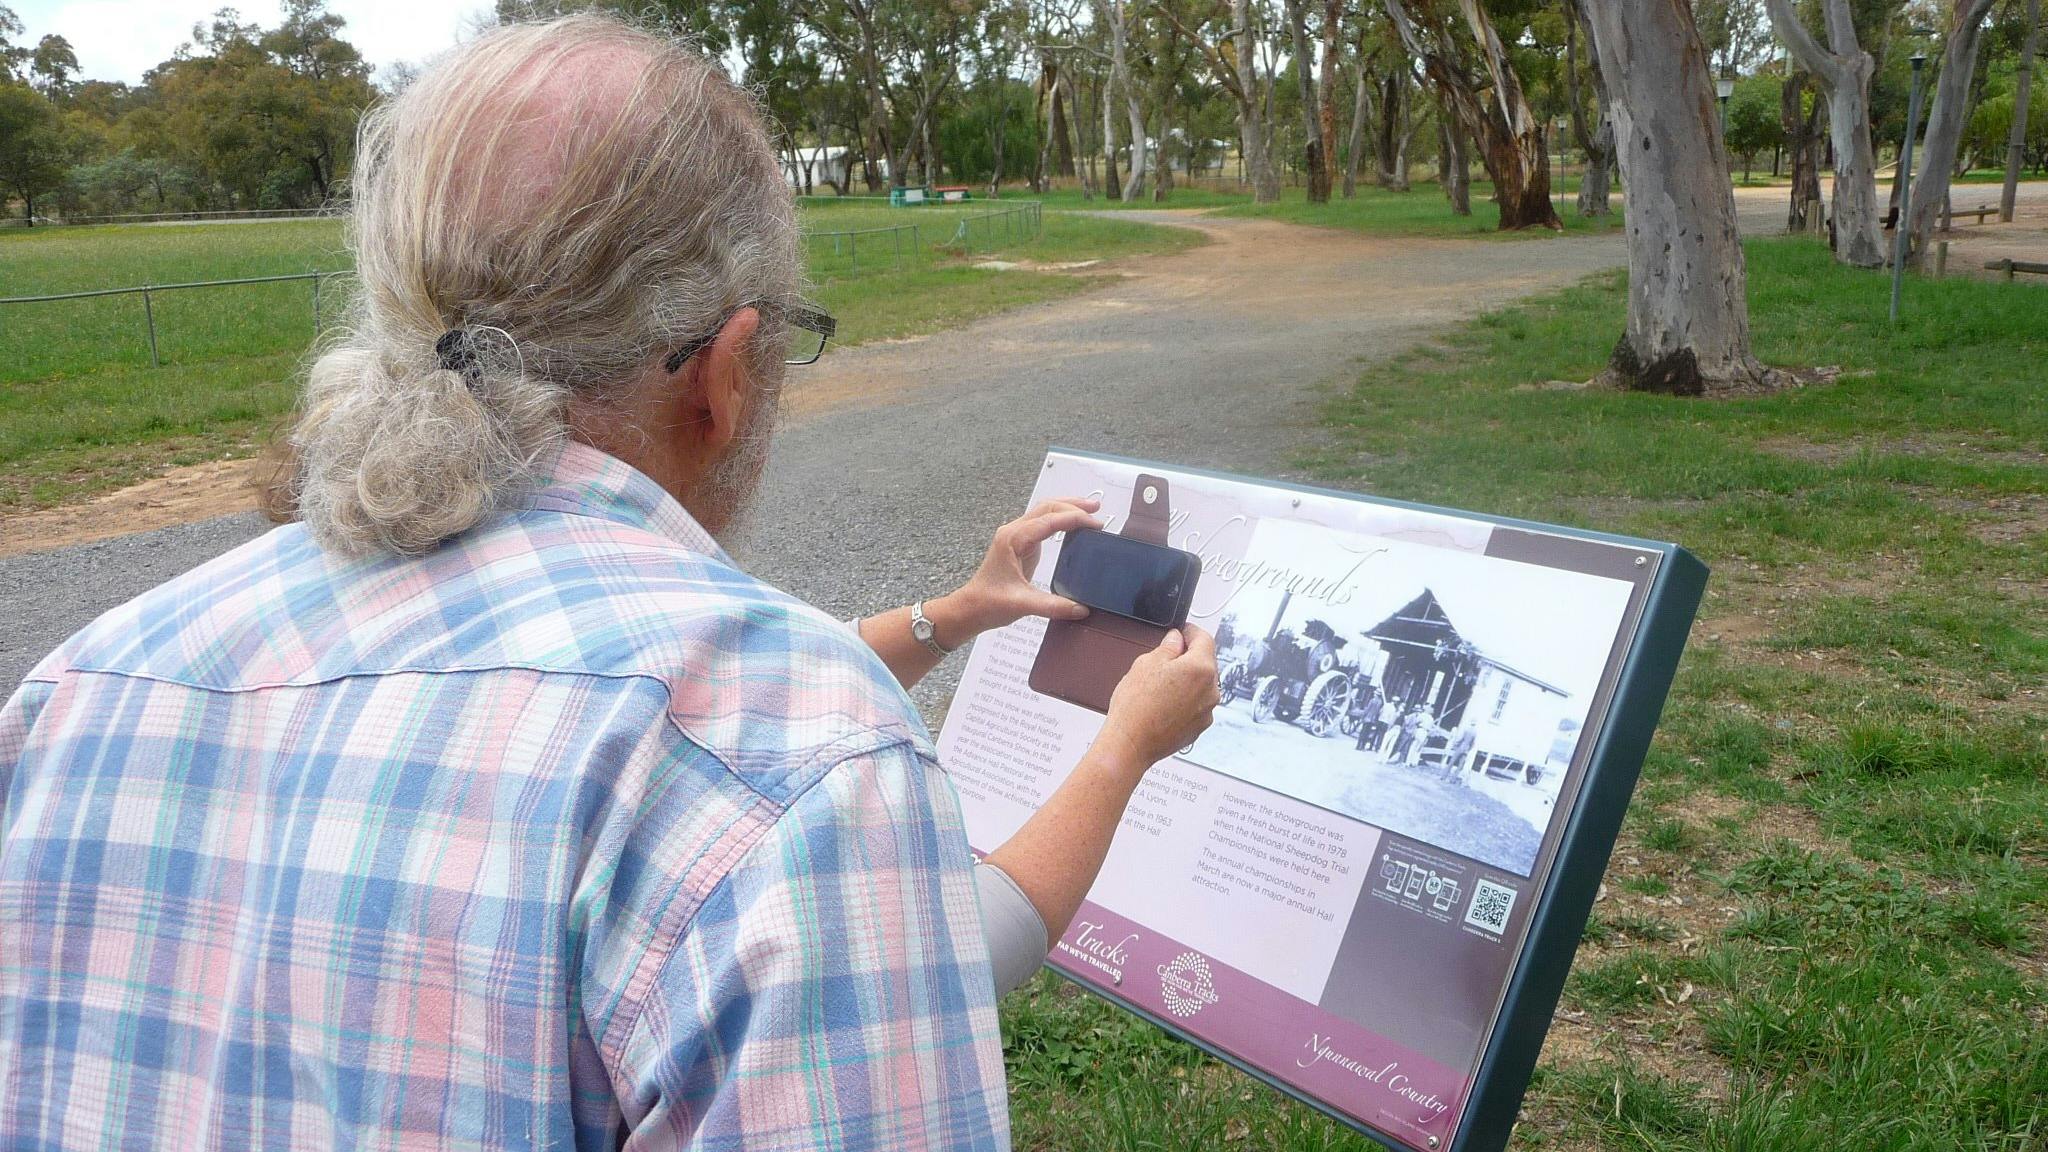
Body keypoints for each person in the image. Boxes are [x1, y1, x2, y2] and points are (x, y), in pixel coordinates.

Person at [0, 17, 1219, 1152]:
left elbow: (579, 702)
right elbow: (729, 776)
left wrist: (947, 614)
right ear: (725, 370)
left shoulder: (81, 685)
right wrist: (1122, 749)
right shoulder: (797, 760)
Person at [1349, 676, 1384, 752]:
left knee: (1362, 733)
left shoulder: (1372, 700)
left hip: (1367, 719)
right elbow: (1378, 711)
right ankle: (1363, 747)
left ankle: (1358, 746)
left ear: (1376, 694)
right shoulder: (1380, 702)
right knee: (1367, 733)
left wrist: (1363, 716)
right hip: (1372, 720)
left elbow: (1367, 710)